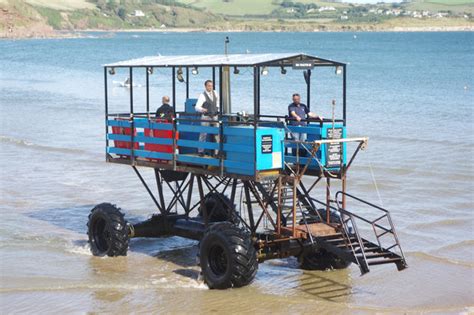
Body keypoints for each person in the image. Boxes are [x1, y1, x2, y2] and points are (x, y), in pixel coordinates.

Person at [195, 80, 220, 156]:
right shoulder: (202, 95)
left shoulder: (215, 93)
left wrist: (217, 109)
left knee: (216, 134)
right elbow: (197, 107)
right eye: (209, 86)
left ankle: (216, 152)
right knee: (203, 134)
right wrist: (202, 109)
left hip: (214, 115)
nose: (210, 87)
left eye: (211, 86)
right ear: (205, 86)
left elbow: (218, 102)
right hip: (206, 116)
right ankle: (200, 151)